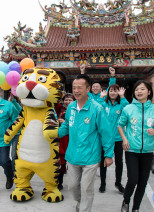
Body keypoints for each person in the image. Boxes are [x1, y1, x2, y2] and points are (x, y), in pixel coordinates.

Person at [58, 74, 114, 212]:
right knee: (72, 186)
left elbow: (106, 133)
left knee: (86, 187)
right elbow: (66, 126)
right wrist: (52, 134)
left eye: (79, 87)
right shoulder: (70, 107)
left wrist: (108, 155)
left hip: (90, 156)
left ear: (88, 88)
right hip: (72, 155)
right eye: (74, 88)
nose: (76, 91)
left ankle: (84, 209)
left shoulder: (97, 109)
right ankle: (79, 203)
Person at [118, 80, 154, 212]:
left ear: (149, 92)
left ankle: (136, 208)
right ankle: (126, 201)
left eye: (142, 89)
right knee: (132, 180)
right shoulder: (128, 108)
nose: (139, 91)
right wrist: (124, 139)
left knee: (142, 183)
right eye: (137, 89)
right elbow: (120, 125)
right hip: (131, 149)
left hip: (148, 151)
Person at [97, 84, 128, 194]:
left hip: (118, 138)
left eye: (115, 91)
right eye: (111, 90)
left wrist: (123, 97)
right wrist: (101, 97)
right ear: (108, 92)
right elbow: (97, 107)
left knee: (119, 162)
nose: (113, 93)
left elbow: (128, 109)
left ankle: (118, 183)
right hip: (104, 139)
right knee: (103, 162)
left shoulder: (121, 105)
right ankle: (103, 183)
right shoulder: (104, 104)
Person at [57, 93, 75, 190]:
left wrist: (66, 123)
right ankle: (60, 182)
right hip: (62, 140)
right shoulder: (60, 109)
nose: (67, 102)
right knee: (61, 162)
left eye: (70, 100)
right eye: (66, 100)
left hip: (72, 140)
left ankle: (75, 184)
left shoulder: (76, 110)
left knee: (73, 164)